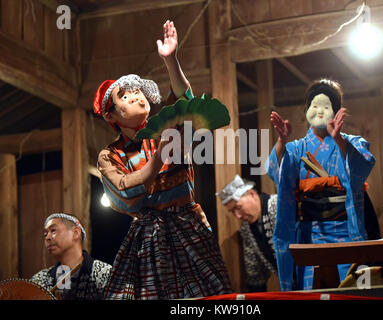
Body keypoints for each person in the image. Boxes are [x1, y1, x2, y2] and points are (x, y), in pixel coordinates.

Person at [93, 20, 232, 299]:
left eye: (136, 90)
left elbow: (186, 100)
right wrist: (158, 157)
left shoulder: (166, 126)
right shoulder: (110, 155)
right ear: (111, 116)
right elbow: (126, 193)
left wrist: (171, 60)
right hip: (148, 238)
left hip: (189, 226)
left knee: (210, 296)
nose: (135, 95)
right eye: (124, 95)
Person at [267, 78, 376, 290]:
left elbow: (362, 167)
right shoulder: (296, 148)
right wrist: (281, 142)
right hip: (311, 239)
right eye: (314, 106)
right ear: (307, 110)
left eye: (326, 106)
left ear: (335, 111)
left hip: (348, 237)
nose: (319, 111)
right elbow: (275, 173)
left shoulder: (353, 142)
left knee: (352, 292)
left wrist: (340, 141)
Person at [217, 175, 277, 292]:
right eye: (232, 211)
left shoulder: (277, 204)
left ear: (251, 194)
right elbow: (254, 270)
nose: (237, 216)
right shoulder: (247, 228)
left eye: (238, 207)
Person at [31, 213, 111, 300]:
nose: (47, 237)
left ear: (76, 233)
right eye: (45, 234)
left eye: (53, 230)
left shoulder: (103, 273)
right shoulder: (41, 280)